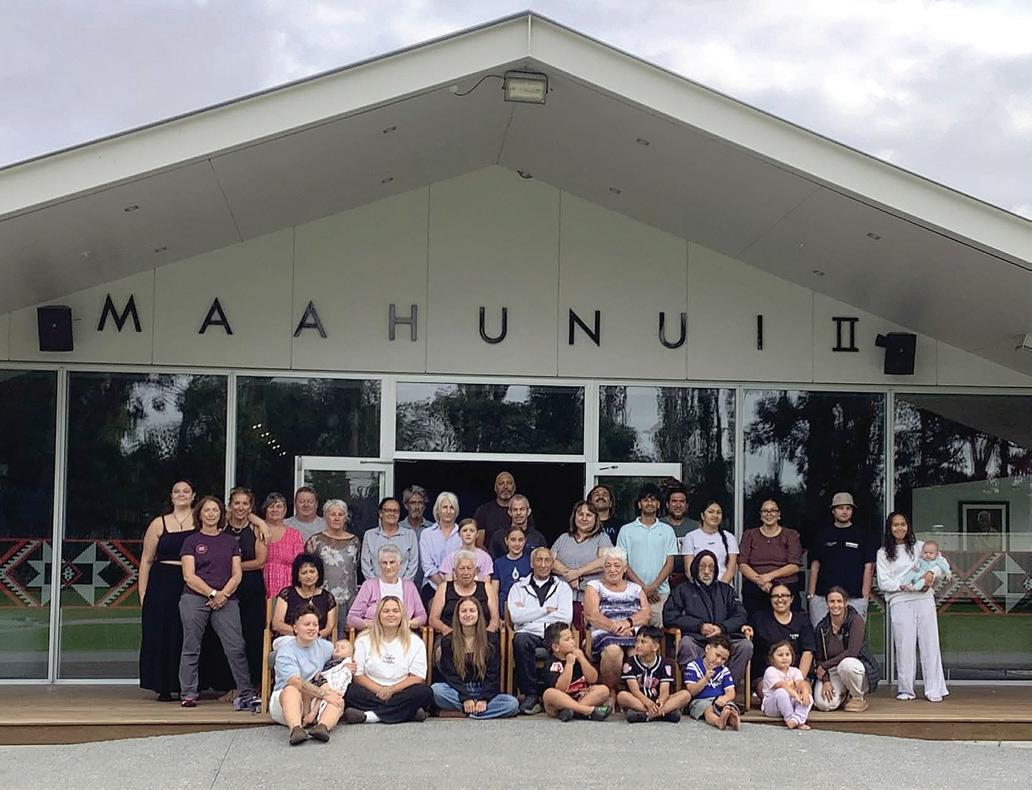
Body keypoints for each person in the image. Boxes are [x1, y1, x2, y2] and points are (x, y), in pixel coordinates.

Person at [177, 495, 257, 710]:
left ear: (222, 514)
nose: (211, 514)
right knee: (191, 646)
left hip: (227, 598)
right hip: (195, 597)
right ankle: (189, 693)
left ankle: (246, 692)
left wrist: (223, 594)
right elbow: (188, 576)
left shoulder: (230, 541)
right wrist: (213, 594)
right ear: (200, 514)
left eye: (215, 510)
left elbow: (237, 574)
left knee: (236, 647)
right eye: (207, 510)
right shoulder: (191, 541)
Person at [876, 512, 949, 702]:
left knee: (930, 643)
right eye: (895, 525)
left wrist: (931, 574)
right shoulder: (883, 553)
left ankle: (934, 689)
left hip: (924, 598)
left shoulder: (919, 546)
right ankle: (906, 689)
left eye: (903, 524)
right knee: (904, 646)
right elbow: (884, 582)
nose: (899, 528)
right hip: (899, 601)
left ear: (908, 526)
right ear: (889, 528)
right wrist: (904, 585)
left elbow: (940, 563)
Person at [201, 486, 268, 693]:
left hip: (250, 587)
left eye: (245, 503)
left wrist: (234, 566)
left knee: (252, 635)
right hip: (225, 586)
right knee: (225, 636)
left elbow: (260, 561)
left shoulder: (257, 529)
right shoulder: (221, 527)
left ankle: (252, 685)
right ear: (230, 506)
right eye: (236, 503)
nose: (241, 507)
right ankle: (228, 685)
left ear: (251, 506)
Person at [139, 480, 196, 701]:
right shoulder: (158, 523)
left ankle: (186, 685)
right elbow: (146, 560)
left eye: (186, 491)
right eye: (176, 491)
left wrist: (259, 521)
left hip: (191, 582)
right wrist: (143, 593)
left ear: (193, 496)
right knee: (161, 633)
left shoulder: (202, 521)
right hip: (161, 583)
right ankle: (162, 686)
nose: (181, 494)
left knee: (186, 633)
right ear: (171, 497)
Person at [663, 550, 753, 686]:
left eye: (711, 567)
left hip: (724, 640)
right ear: (695, 567)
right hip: (697, 639)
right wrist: (699, 626)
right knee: (686, 644)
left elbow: (741, 615)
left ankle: (727, 690)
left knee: (745, 646)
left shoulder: (726, 590)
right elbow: (669, 616)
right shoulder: (682, 590)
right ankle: (697, 689)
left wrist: (722, 628)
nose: (706, 571)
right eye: (702, 566)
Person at [342, 596, 434, 724]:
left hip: (401, 691)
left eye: (395, 611)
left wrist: (391, 690)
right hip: (372, 692)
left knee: (424, 692)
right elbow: (358, 676)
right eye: (386, 611)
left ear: (402, 615)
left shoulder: (416, 642)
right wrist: (380, 690)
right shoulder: (363, 640)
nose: (391, 615)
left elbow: (417, 677)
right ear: (378, 615)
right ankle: (407, 712)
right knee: (350, 690)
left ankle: (370, 716)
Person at [508, 547, 574, 715]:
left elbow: (566, 617)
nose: (543, 565)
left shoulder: (563, 587)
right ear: (532, 563)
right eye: (539, 560)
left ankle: (558, 696)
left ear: (552, 564)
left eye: (547, 560)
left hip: (553, 633)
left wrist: (529, 615)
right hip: (528, 633)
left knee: (561, 642)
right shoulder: (518, 587)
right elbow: (516, 617)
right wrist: (545, 610)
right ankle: (531, 695)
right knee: (520, 640)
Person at [431, 597, 519, 719]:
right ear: (457, 615)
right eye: (464, 611)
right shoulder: (448, 641)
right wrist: (466, 699)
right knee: (436, 690)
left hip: (483, 689)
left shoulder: (491, 639)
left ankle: (464, 713)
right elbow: (451, 676)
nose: (468, 614)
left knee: (512, 704)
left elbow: (493, 675)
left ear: (478, 614)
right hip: (458, 691)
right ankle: (477, 712)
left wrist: (484, 699)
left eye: (472, 610)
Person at [583, 547, 651, 701]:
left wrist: (627, 623)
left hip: (632, 631)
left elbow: (646, 614)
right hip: (604, 632)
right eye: (608, 565)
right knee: (613, 651)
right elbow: (592, 615)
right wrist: (615, 627)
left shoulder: (636, 588)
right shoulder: (594, 586)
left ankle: (635, 695)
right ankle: (610, 692)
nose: (612, 569)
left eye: (617, 565)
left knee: (639, 651)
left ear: (625, 568)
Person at [270, 608, 345, 745]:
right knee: (291, 690)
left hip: (313, 698)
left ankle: (322, 727)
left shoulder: (327, 647)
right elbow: (296, 682)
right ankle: (296, 729)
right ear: (295, 628)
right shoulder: (286, 652)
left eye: (315, 624)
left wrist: (348, 664)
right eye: (306, 624)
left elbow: (340, 663)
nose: (312, 628)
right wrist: (323, 694)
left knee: (336, 697)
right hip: (286, 699)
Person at [807, 492, 877, 627]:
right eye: (840, 508)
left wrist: (865, 596)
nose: (844, 512)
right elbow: (815, 565)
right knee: (821, 635)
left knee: (853, 635)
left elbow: (869, 566)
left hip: (854, 597)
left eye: (848, 508)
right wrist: (811, 595)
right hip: (823, 597)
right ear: (833, 511)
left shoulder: (862, 535)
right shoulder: (823, 535)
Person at [616, 484, 678, 626]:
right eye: (645, 500)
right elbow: (622, 562)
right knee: (635, 633)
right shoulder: (626, 530)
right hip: (633, 592)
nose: (649, 503)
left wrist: (653, 587)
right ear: (639, 504)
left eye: (653, 500)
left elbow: (670, 563)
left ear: (658, 504)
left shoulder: (668, 530)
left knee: (659, 634)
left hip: (660, 594)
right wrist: (642, 588)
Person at [812, 586, 880, 712]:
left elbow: (852, 652)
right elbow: (819, 658)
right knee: (824, 704)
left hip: (856, 668)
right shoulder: (821, 628)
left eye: (839, 601)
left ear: (845, 603)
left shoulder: (855, 620)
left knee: (846, 664)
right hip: (832, 670)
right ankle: (843, 696)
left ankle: (857, 697)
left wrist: (824, 666)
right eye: (832, 601)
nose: (835, 605)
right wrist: (826, 680)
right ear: (827, 604)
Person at [745, 583, 815, 703]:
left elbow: (808, 652)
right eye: (775, 596)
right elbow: (747, 635)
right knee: (779, 697)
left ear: (791, 599)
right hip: (766, 676)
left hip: (796, 675)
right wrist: (746, 630)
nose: (780, 599)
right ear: (770, 599)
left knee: (805, 696)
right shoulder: (759, 619)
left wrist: (798, 680)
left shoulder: (802, 619)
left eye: (784, 595)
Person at [551, 500, 613, 630]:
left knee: (587, 635)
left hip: (590, 599)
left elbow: (605, 561)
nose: (584, 518)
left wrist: (579, 573)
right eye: (580, 514)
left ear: (596, 518)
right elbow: (549, 561)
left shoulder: (602, 538)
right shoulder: (563, 538)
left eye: (589, 515)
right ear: (574, 517)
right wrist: (569, 575)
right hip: (562, 599)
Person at [738, 499, 803, 615]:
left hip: (785, 587)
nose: (769, 514)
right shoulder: (749, 535)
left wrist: (769, 577)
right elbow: (742, 564)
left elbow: (794, 566)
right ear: (760, 515)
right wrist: (761, 582)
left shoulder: (791, 535)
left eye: (773, 511)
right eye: (765, 511)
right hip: (755, 588)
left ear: (779, 514)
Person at [305, 498, 360, 637]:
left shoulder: (355, 541)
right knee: (320, 633)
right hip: (321, 596)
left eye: (340, 514)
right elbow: (306, 569)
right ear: (325, 516)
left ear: (346, 517)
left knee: (343, 636)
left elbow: (356, 567)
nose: (336, 518)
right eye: (332, 514)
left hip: (347, 597)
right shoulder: (315, 541)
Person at [617, 625, 691, 723]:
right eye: (637, 641)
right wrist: (648, 703)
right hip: (639, 700)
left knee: (686, 695)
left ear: (655, 647)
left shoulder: (666, 663)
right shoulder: (630, 662)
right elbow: (635, 691)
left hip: (658, 701)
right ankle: (663, 714)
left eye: (643, 642)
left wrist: (661, 701)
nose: (638, 645)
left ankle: (646, 715)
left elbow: (664, 691)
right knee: (622, 696)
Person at [541, 623, 611, 721]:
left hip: (582, 697)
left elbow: (593, 679)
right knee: (549, 694)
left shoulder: (580, 655)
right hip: (561, 702)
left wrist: (582, 659)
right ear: (556, 647)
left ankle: (573, 711)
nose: (572, 642)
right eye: (567, 640)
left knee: (603, 690)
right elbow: (560, 688)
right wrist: (569, 664)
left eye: (572, 638)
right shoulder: (552, 663)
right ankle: (586, 711)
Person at [348, 544, 427, 628]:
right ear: (379, 564)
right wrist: (368, 625)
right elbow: (351, 618)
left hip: (403, 633)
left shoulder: (410, 587)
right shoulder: (368, 585)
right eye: (384, 563)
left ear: (399, 564)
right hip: (373, 632)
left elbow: (422, 616)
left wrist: (409, 623)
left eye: (392, 562)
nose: (388, 567)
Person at [271, 554, 339, 649]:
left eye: (312, 572)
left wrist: (313, 636)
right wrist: (301, 634)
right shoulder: (287, 593)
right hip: (290, 638)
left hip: (316, 640)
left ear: (319, 574)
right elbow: (277, 624)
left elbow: (329, 627)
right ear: (298, 576)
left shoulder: (327, 597)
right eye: (304, 573)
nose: (308, 576)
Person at [429, 549, 500, 635]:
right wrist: (447, 630)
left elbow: (495, 619)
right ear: (454, 572)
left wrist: (487, 634)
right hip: (450, 635)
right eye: (462, 568)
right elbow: (433, 620)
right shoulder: (443, 588)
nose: (466, 572)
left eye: (469, 568)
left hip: (482, 636)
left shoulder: (487, 587)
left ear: (476, 571)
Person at [681, 634, 740, 730]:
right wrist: (705, 679)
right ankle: (718, 721)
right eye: (717, 655)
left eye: (723, 659)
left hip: (719, 699)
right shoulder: (693, 666)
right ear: (707, 649)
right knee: (708, 709)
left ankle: (733, 719)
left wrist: (724, 699)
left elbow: (731, 692)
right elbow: (691, 690)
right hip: (700, 700)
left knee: (729, 707)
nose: (719, 661)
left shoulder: (724, 670)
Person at [418, 491, 463, 607]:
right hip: (432, 585)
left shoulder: (462, 534)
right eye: (444, 507)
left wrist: (454, 587)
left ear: (456, 511)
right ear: (437, 510)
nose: (448, 511)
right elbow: (427, 566)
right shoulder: (427, 534)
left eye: (451, 507)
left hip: (460, 585)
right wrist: (444, 586)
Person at [361, 497, 419, 582]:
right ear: (380, 513)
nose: (392, 513)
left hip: (403, 586)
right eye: (388, 510)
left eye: (395, 511)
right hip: (376, 587)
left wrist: (401, 585)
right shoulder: (369, 535)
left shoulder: (410, 535)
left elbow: (413, 564)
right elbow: (366, 565)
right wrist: (376, 585)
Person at [473, 471, 535, 549]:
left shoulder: (523, 514)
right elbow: (478, 543)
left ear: (514, 487)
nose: (505, 487)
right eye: (501, 483)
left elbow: (532, 539)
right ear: (495, 488)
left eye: (509, 483)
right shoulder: (483, 511)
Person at [682, 499, 739, 584]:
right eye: (711, 512)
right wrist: (702, 588)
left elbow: (731, 570)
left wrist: (720, 588)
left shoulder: (729, 537)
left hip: (724, 587)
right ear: (702, 516)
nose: (715, 515)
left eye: (718, 512)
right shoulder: (690, 537)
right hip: (697, 588)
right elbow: (689, 571)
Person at [760, 641, 813, 730]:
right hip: (773, 707)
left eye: (787, 654)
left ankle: (796, 720)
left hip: (792, 704)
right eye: (780, 655)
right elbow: (782, 685)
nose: (784, 658)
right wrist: (795, 695)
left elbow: (800, 682)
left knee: (809, 698)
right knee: (781, 692)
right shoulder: (770, 671)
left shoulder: (795, 671)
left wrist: (805, 692)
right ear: (772, 658)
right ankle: (789, 718)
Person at [262, 492, 305, 599]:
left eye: (279, 506)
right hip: (259, 587)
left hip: (287, 588)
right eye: (271, 507)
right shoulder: (257, 530)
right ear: (265, 510)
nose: (275, 510)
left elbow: (300, 564)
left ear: (285, 510)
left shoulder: (294, 535)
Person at [304, 639, 355, 726]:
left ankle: (313, 712)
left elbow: (341, 673)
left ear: (350, 653)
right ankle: (310, 713)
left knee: (325, 689)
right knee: (311, 689)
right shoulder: (329, 661)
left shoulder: (347, 662)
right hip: (322, 682)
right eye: (336, 647)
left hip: (333, 685)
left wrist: (323, 674)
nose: (338, 649)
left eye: (342, 647)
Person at [492, 526, 531, 617]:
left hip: (526, 607)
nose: (517, 544)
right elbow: (494, 592)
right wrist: (496, 616)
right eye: (513, 540)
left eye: (520, 540)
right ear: (506, 541)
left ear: (525, 541)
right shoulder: (498, 563)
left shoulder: (530, 561)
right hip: (504, 606)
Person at [661, 484, 695, 586]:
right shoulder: (658, 525)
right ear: (667, 504)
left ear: (687, 505)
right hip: (662, 581)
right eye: (674, 501)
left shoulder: (696, 527)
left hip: (690, 581)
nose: (678, 505)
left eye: (682, 501)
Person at [401, 485, 433, 589]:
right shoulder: (399, 528)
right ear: (406, 505)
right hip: (403, 581)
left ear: (424, 506)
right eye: (413, 503)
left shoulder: (432, 529)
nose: (417, 507)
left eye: (420, 503)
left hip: (427, 582)